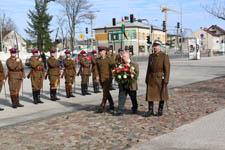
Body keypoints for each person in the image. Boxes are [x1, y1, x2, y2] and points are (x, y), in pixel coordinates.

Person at [144, 40, 170, 117]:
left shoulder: (164, 56)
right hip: (151, 77)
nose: (154, 47)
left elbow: (167, 69)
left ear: (159, 47)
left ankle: (160, 110)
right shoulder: (151, 56)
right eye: (154, 46)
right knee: (150, 94)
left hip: (160, 77)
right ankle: (150, 110)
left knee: (161, 93)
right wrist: (146, 78)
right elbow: (148, 68)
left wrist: (166, 80)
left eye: (156, 46)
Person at [113, 52, 139, 116]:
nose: (122, 57)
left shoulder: (134, 64)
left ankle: (134, 108)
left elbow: (136, 74)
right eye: (122, 56)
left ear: (128, 57)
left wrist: (130, 78)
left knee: (133, 98)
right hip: (123, 84)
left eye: (124, 56)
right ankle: (120, 110)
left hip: (131, 85)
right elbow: (117, 72)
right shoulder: (120, 65)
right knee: (121, 97)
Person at [94, 46, 115, 113]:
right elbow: (96, 69)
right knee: (106, 91)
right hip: (101, 77)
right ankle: (111, 104)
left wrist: (114, 75)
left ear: (105, 51)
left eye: (102, 51)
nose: (100, 52)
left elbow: (113, 66)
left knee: (105, 91)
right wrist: (97, 76)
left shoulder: (109, 58)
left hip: (108, 77)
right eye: (99, 51)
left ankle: (102, 105)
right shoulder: (98, 60)